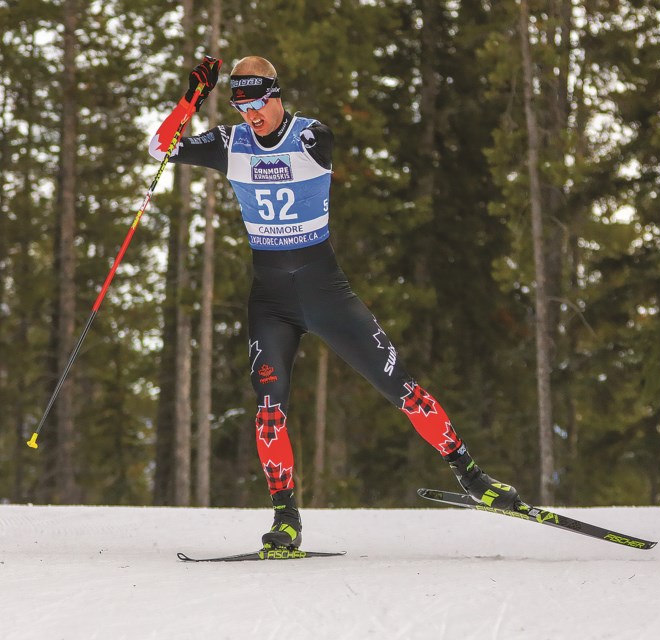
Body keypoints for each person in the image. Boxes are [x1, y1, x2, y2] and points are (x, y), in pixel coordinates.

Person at [149, 55, 521, 550]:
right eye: (242, 107)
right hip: (271, 301)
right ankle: (286, 520)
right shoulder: (228, 143)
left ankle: (475, 480)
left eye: (259, 103)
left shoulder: (311, 136)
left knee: (401, 388)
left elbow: (300, 154)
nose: (252, 116)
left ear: (277, 94)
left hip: (325, 293)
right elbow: (159, 148)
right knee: (268, 409)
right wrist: (192, 99)